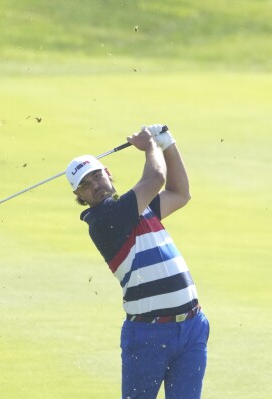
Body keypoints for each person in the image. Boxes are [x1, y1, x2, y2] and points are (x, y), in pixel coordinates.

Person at [65, 125, 209, 399]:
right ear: (79, 197)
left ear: (107, 172)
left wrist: (168, 142)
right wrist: (150, 145)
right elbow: (155, 177)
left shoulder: (140, 210)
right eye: (85, 184)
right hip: (149, 335)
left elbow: (180, 193)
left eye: (96, 176)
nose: (94, 185)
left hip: (191, 327)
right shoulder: (103, 219)